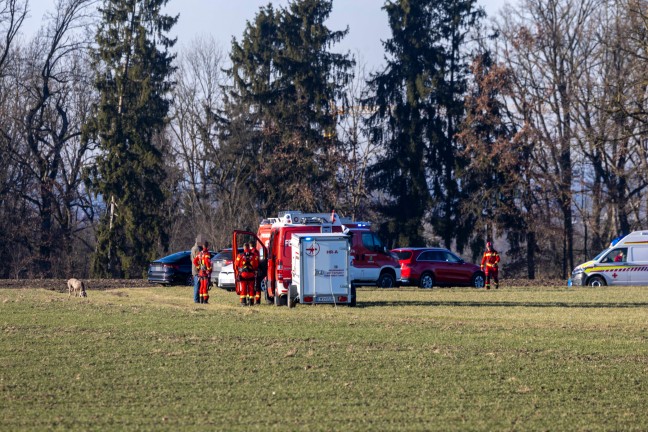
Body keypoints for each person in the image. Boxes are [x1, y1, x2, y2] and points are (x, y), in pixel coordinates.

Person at [190, 235, 204, 303]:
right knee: (197, 285)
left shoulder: (193, 248)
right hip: (197, 270)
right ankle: (196, 300)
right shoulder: (198, 249)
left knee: (196, 284)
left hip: (193, 269)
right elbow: (198, 260)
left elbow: (191, 259)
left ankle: (196, 299)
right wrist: (199, 268)